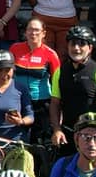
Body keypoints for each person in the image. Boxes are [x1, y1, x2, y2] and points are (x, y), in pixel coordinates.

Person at [54, 26, 96, 149]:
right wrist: (56, 129)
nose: (76, 48)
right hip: (67, 135)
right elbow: (55, 103)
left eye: (81, 44)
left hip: (94, 138)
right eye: (73, 44)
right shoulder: (60, 71)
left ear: (90, 48)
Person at [9, 16, 62, 147]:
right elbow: (6, 74)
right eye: (30, 30)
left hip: (41, 102)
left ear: (44, 33)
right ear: (25, 32)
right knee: (18, 138)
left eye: (37, 30)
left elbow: (58, 82)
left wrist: (59, 109)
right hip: (18, 101)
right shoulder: (15, 49)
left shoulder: (50, 54)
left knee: (38, 139)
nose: (33, 33)